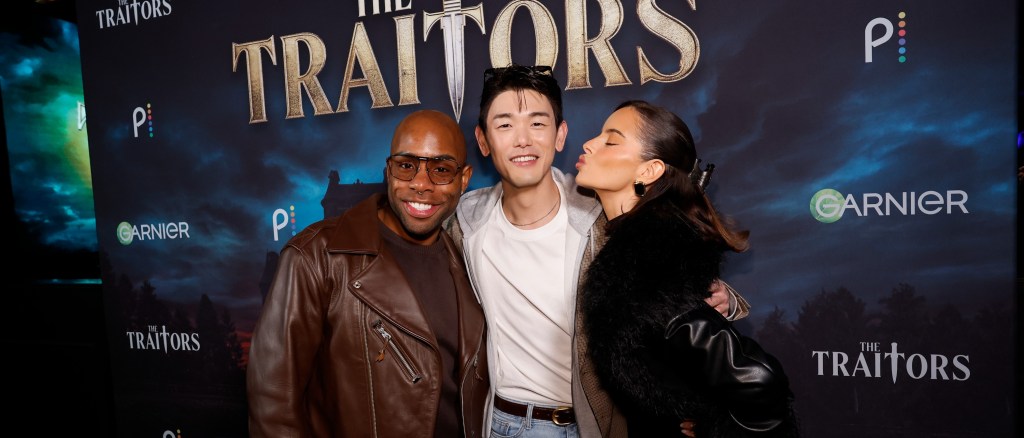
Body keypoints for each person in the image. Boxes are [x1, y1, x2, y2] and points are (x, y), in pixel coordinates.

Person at [447, 65, 750, 438]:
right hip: (497, 423)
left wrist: (721, 298)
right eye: (505, 125)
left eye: (537, 123)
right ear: (483, 140)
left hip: (591, 425)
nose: (523, 140)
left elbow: (670, 258)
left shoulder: (600, 216)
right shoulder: (465, 220)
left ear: (560, 135)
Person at [246, 110, 489, 438]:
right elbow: (273, 407)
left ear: (464, 178)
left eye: (441, 169)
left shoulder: (470, 259)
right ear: (388, 171)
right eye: (406, 166)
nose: (421, 183)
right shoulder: (315, 256)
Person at [576, 100, 799, 437]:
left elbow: (761, 382)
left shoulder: (648, 269)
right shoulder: (641, 251)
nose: (589, 144)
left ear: (649, 171)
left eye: (611, 140)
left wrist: (719, 429)